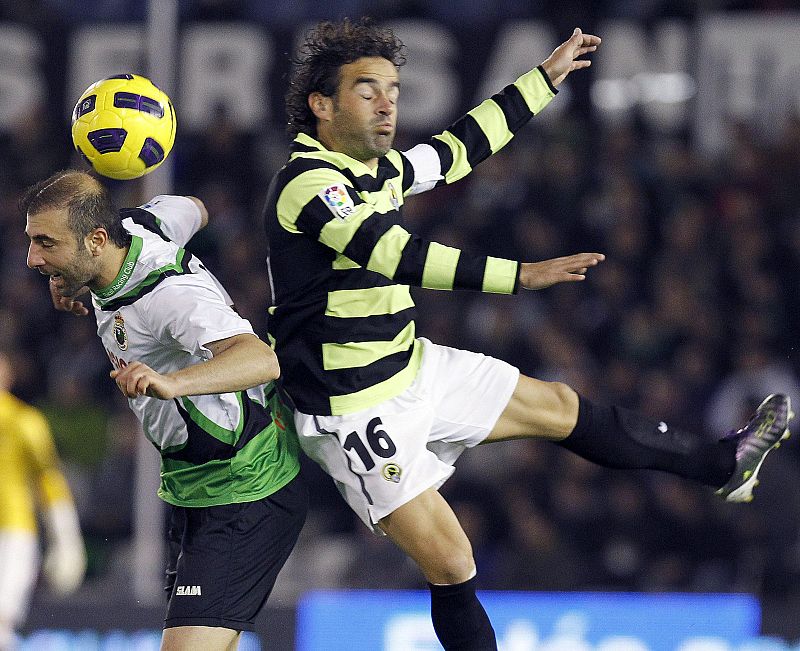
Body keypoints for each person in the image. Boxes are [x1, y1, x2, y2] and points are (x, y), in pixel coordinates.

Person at [263, 18, 793, 650]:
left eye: (394, 90)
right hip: (352, 406)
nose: (387, 104)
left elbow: (461, 147)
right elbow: (395, 255)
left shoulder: (381, 170)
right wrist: (520, 275)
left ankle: (722, 466)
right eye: (366, 90)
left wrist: (545, 78)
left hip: (407, 365)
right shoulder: (308, 184)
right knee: (453, 562)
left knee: (561, 406)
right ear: (322, 105)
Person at [22, 170, 307, 651]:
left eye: (46, 243)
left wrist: (174, 382)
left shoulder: (167, 295)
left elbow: (261, 359)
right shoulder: (140, 225)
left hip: (245, 486)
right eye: (33, 241)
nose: (32, 258)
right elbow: (196, 207)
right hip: (194, 489)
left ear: (96, 240)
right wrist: (71, 277)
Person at [0, 349, 86, 651]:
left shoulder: (24, 422)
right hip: (14, 531)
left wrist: (65, 537)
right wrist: (67, 539)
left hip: (12, 531)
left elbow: (48, 479)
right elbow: (50, 481)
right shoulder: (26, 421)